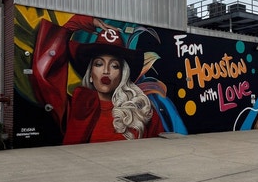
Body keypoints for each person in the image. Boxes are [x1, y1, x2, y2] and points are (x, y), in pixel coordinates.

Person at [30, 14, 163, 144]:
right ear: (90, 74)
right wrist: (86, 21)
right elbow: (43, 72)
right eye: (99, 64)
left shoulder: (141, 110)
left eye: (114, 66)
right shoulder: (77, 107)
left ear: (123, 74)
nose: (106, 71)